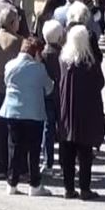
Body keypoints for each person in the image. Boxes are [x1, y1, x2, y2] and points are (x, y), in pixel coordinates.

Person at [0, 35, 54, 195]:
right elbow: (49, 88)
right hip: (34, 113)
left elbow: (5, 82)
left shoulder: (9, 65)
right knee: (34, 150)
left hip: (12, 111)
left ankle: (12, 182)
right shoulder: (39, 69)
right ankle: (34, 184)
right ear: (36, 52)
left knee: (14, 148)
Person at [57, 23, 104, 199]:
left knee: (67, 151)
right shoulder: (90, 63)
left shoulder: (63, 60)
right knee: (85, 152)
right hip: (86, 111)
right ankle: (85, 188)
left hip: (67, 111)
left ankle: (68, 188)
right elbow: (100, 84)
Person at [0, 8, 24, 177]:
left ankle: (2, 166)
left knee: (1, 130)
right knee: (15, 131)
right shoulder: (19, 41)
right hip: (14, 90)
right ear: (12, 23)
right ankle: (14, 166)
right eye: (17, 20)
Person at [40, 19, 64, 175]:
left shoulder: (41, 54)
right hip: (61, 96)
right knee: (62, 129)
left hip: (46, 95)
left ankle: (47, 162)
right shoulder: (64, 54)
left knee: (47, 129)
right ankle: (64, 163)